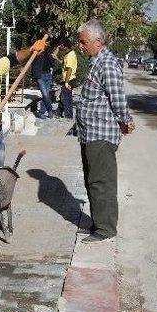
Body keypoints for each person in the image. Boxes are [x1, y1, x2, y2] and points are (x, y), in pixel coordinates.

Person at [75, 19, 135, 243]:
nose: (81, 46)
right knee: (93, 180)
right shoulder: (98, 62)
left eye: (84, 42)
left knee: (102, 181)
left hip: (100, 134)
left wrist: (126, 121)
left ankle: (105, 228)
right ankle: (98, 223)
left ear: (97, 41)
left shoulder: (107, 64)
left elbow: (117, 98)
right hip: (90, 133)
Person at [52, 38, 78, 119]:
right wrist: (56, 58)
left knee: (66, 98)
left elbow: (69, 69)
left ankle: (68, 116)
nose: (61, 47)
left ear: (66, 46)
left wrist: (66, 82)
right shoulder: (68, 54)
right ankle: (58, 113)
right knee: (63, 97)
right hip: (68, 79)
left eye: (62, 46)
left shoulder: (70, 55)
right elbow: (64, 65)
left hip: (69, 80)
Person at [30, 42, 55, 119]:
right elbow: (33, 64)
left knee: (46, 94)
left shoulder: (48, 53)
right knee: (45, 94)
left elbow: (52, 62)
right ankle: (50, 110)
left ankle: (41, 112)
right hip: (40, 76)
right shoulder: (36, 54)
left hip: (48, 75)